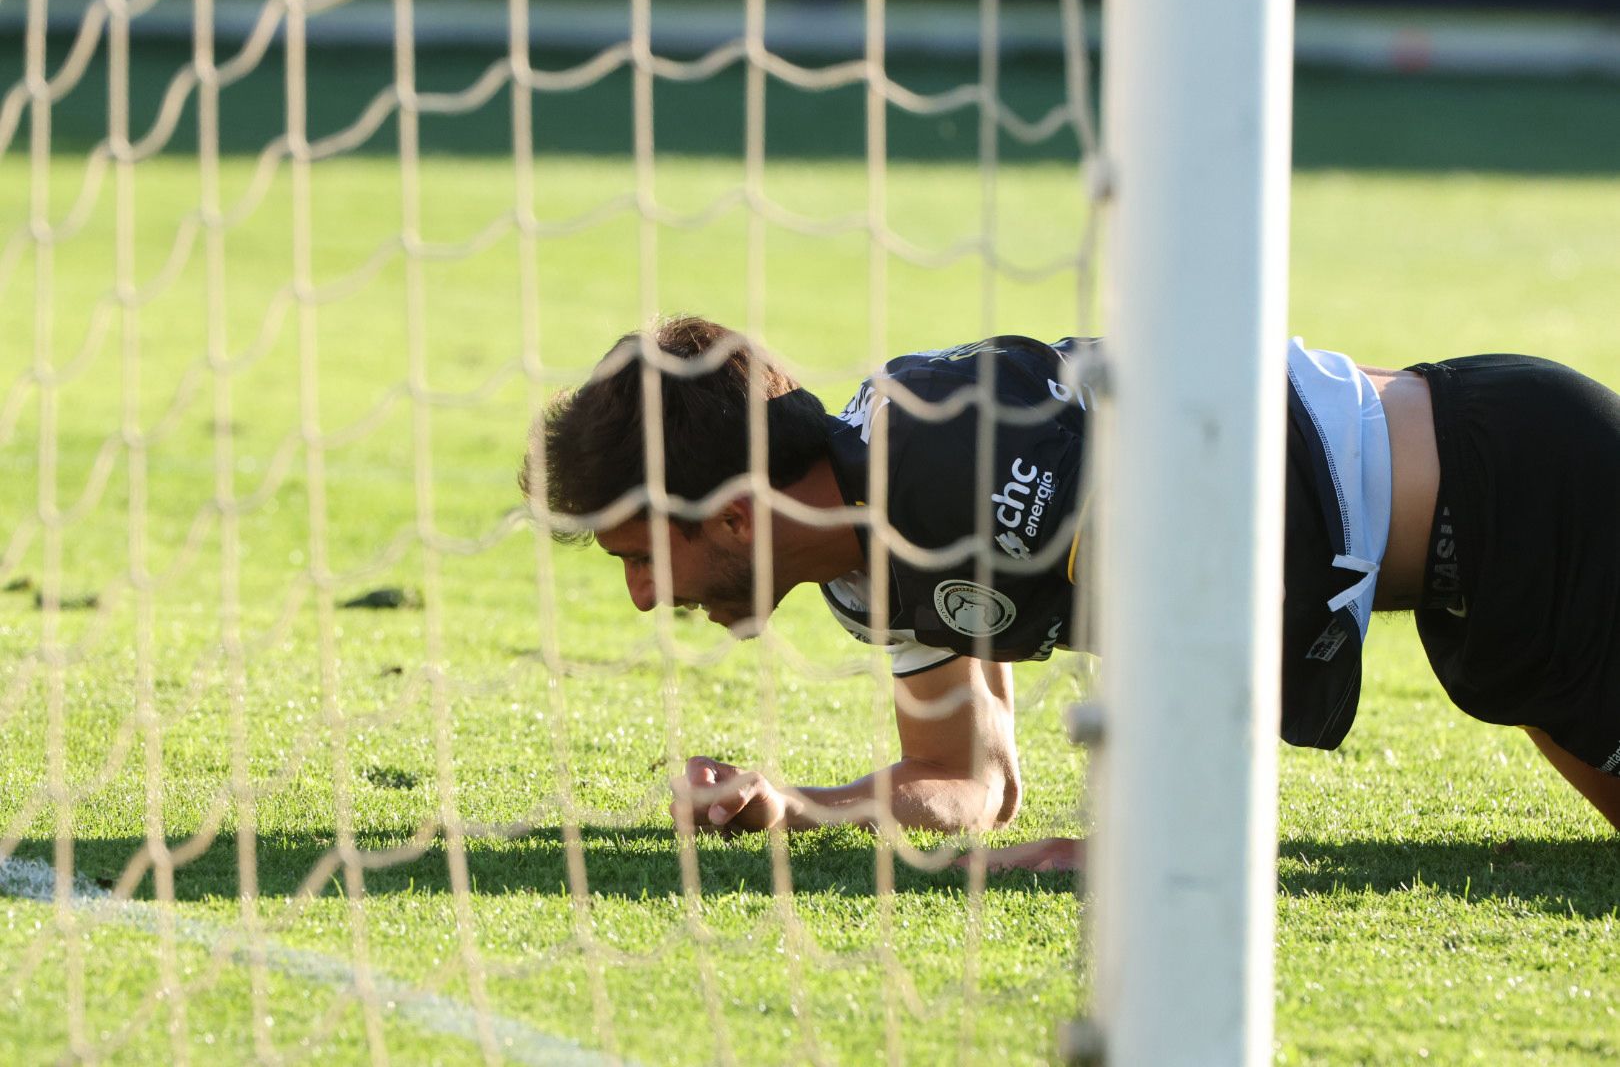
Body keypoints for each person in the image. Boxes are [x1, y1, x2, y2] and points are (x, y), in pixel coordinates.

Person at [522, 315, 1620, 871]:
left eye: (639, 555)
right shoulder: (862, 573)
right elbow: (969, 783)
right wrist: (793, 804)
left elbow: (1200, 588)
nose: (642, 597)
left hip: (1531, 485)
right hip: (1477, 579)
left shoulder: (938, 457)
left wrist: (1139, 845)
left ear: (733, 516)